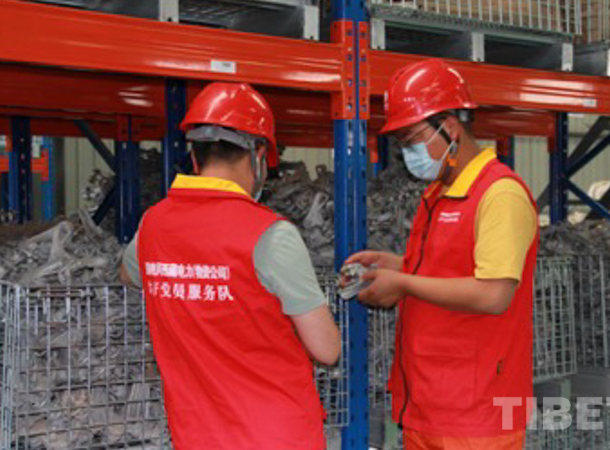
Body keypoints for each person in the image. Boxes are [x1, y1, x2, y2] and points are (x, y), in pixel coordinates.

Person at [120, 82, 341, 450]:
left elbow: (129, 274)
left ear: (195, 158)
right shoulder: (271, 235)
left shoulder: (152, 225)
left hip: (195, 434)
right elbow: (327, 349)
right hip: (276, 435)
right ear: (258, 155)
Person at [347, 59, 538, 450]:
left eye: (412, 140)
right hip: (429, 403)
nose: (407, 153)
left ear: (450, 127)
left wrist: (403, 283)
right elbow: (447, 269)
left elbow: (494, 293)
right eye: (402, 143)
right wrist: (396, 266)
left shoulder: (499, 194)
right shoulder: (439, 193)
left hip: (477, 414)